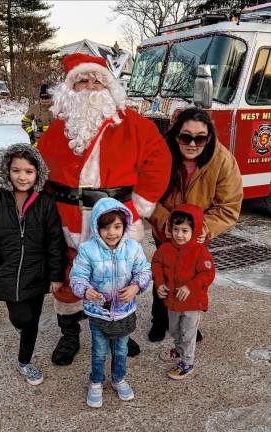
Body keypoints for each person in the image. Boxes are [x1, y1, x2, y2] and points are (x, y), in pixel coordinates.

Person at [38, 53, 172, 366]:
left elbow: (159, 162)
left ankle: (119, 331)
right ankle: (69, 333)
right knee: (71, 274)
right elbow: (40, 170)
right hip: (69, 218)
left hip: (116, 217)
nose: (89, 86)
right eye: (81, 80)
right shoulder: (58, 129)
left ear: (108, 83)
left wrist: (140, 204)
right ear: (69, 89)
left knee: (119, 274)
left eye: (96, 79)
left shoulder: (133, 124)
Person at [0, 144, 67, 385]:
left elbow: (55, 241)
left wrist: (55, 275)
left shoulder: (45, 202)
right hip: (8, 275)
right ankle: (22, 327)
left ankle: (24, 361)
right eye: (16, 170)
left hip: (37, 273)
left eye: (28, 171)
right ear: (7, 171)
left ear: (38, 174)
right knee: (20, 318)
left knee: (31, 321)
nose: (22, 177)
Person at [148, 107, 243, 343]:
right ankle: (160, 318)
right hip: (166, 231)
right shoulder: (160, 154)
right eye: (185, 136)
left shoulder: (223, 161)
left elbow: (229, 206)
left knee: (192, 276)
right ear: (175, 135)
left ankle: (189, 320)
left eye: (200, 138)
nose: (192, 144)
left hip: (197, 237)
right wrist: (165, 221)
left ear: (208, 137)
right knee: (163, 271)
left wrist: (203, 228)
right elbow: (146, 195)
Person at [70, 197, 151, 407]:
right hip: (98, 314)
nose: (112, 233)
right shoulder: (88, 250)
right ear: (97, 228)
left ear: (125, 226)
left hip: (124, 312)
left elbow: (144, 271)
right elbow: (77, 277)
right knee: (99, 351)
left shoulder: (133, 248)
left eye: (117, 226)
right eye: (105, 227)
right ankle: (96, 381)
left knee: (121, 350)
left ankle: (118, 379)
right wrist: (86, 291)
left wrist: (135, 287)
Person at [152, 203, 215, 379]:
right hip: (172, 301)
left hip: (191, 303)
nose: (179, 235)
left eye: (185, 231)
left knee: (188, 333)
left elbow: (208, 273)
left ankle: (187, 363)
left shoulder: (199, 251)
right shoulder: (165, 248)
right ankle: (179, 351)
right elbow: (156, 264)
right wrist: (160, 283)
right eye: (176, 229)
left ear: (194, 231)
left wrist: (191, 286)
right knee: (174, 329)